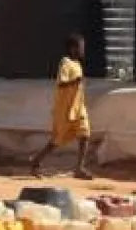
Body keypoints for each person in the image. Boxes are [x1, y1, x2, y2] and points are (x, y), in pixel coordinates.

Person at [29, 35, 94, 179]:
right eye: (80, 47)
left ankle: (79, 168)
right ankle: (36, 161)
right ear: (72, 48)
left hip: (78, 108)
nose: (82, 50)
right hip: (65, 109)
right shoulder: (65, 63)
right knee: (57, 140)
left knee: (85, 135)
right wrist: (75, 81)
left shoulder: (77, 64)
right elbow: (61, 83)